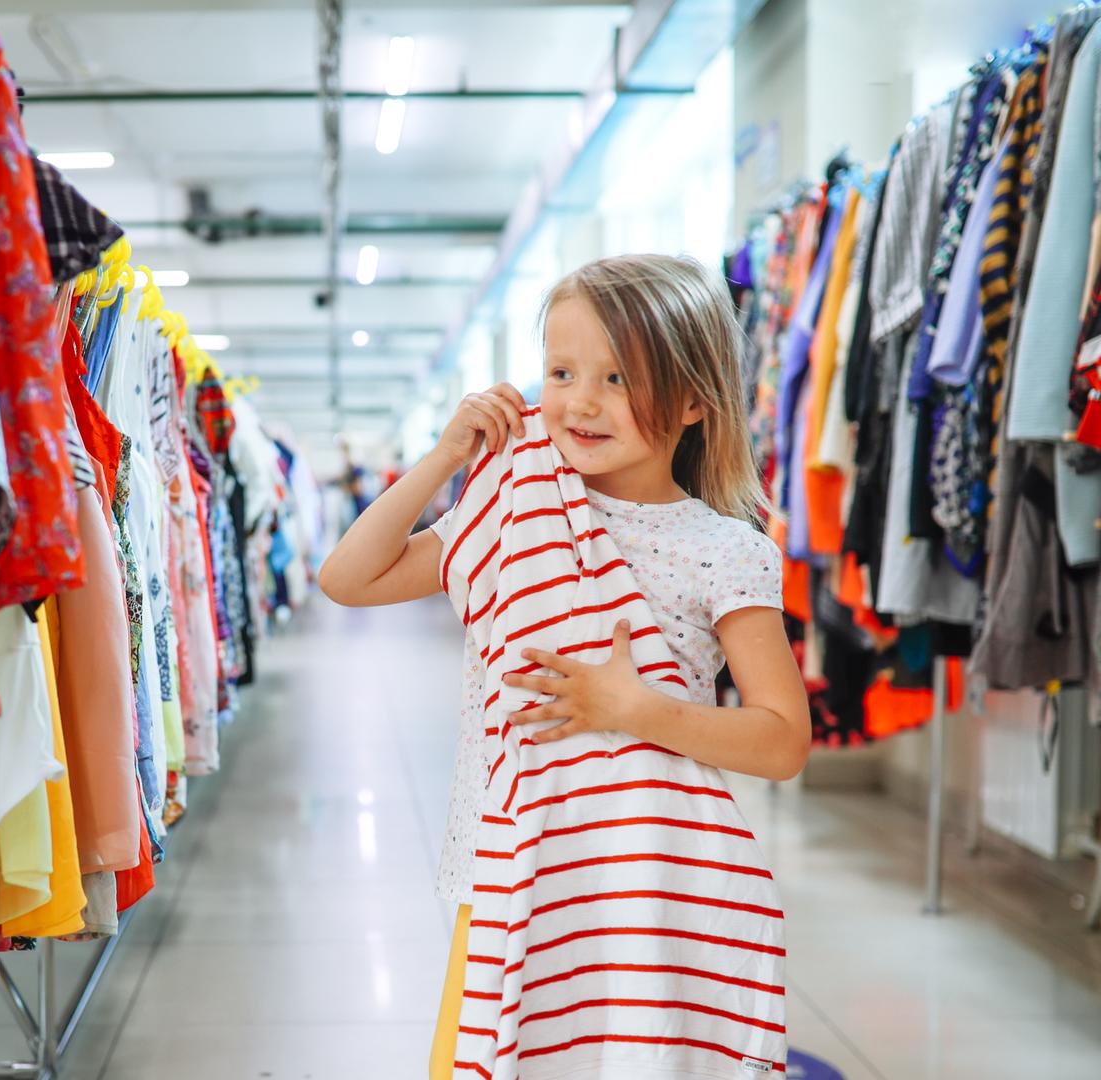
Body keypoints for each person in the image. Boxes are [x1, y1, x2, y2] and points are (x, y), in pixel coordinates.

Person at [318, 254, 810, 1079]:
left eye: (619, 377)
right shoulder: (514, 509)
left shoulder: (724, 550)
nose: (580, 400)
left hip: (647, 884)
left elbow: (782, 739)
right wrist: (444, 459)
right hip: (515, 870)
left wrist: (636, 709)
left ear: (693, 399)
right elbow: (347, 577)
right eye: (561, 371)